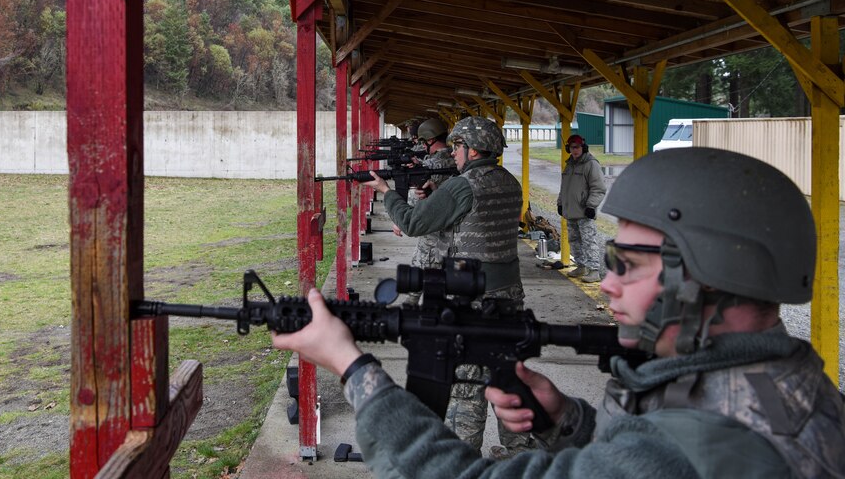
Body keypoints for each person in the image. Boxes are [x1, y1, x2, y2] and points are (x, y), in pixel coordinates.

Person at [272, 147, 845, 478]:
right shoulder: (789, 391)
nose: (609, 281)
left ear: (712, 276)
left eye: (629, 263)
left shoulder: (706, 446)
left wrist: (353, 369)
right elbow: (636, 453)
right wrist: (566, 421)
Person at [361, 115, 530, 456]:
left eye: (458, 147)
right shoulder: (509, 182)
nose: (453, 154)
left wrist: (386, 193)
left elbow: (412, 222)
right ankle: (521, 454)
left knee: (467, 385)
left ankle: (460, 461)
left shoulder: (463, 186)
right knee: (507, 374)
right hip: (509, 297)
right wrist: (436, 193)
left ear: (473, 150)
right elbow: (473, 220)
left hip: (472, 300)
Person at [395, 118, 456, 306]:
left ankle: (412, 308)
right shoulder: (453, 160)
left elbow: (417, 200)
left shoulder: (434, 165)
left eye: (423, 141)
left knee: (420, 272)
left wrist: (400, 219)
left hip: (435, 231)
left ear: (430, 140)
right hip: (455, 229)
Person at [557, 134, 606, 283]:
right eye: (572, 147)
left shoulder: (591, 164)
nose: (575, 150)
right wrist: (560, 203)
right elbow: (564, 187)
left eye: (577, 147)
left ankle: (594, 271)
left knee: (588, 241)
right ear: (568, 148)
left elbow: (599, 188)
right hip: (570, 210)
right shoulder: (570, 164)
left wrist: (591, 206)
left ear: (583, 147)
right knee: (574, 240)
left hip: (584, 212)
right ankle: (581, 266)